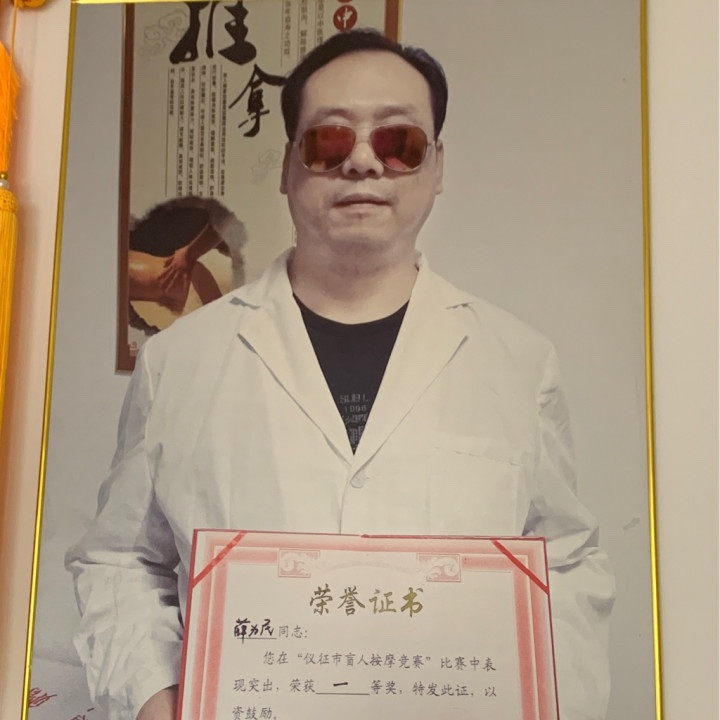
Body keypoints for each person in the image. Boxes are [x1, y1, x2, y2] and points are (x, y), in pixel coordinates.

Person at [67, 30, 615, 720]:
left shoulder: (518, 361)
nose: (362, 161)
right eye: (329, 140)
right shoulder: (180, 361)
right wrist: (154, 699)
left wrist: (547, 701)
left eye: (398, 142)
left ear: (437, 168)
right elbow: (122, 560)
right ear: (288, 166)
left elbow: (565, 563)